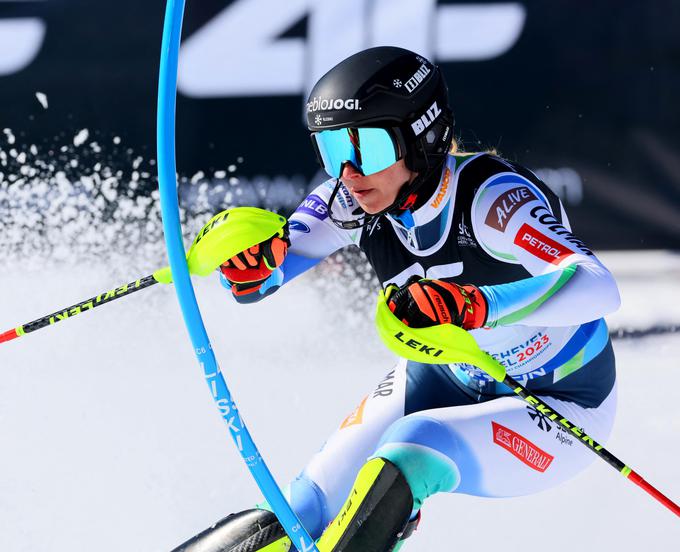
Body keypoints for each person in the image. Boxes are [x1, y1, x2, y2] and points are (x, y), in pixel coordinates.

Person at [172, 46, 620, 552]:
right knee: (302, 511)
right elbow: (261, 277)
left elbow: (598, 286)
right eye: (332, 146)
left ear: (421, 137)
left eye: (368, 148)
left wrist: (478, 305)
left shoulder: (491, 200)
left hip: (557, 403)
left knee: (412, 449)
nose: (348, 170)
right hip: (445, 374)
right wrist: (249, 264)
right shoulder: (348, 203)